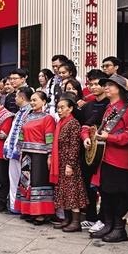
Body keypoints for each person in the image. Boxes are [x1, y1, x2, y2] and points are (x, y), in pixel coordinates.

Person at [85, 75, 128, 242]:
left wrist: (110, 137)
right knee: (106, 193)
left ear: (120, 90)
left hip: (122, 160)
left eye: (110, 85)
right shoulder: (109, 108)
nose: (106, 88)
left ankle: (118, 228)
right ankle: (108, 225)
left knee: (119, 195)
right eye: (106, 85)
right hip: (106, 158)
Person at [16, 91, 56, 224]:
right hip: (27, 154)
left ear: (44, 102)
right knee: (26, 181)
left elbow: (50, 137)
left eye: (35, 100)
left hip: (40, 155)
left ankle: (41, 213)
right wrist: (19, 149)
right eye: (31, 100)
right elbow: (21, 134)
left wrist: (50, 154)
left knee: (39, 182)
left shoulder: (48, 118)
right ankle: (28, 210)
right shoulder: (28, 116)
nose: (32, 102)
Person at [50, 97, 88, 232]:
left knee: (72, 192)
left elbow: (74, 146)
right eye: (58, 108)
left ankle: (76, 222)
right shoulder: (61, 122)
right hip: (60, 162)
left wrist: (70, 165)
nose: (59, 110)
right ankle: (67, 219)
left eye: (62, 107)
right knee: (63, 191)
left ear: (70, 108)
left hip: (69, 163)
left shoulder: (73, 123)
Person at [79, 70, 109, 231]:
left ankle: (103, 218)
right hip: (88, 150)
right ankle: (90, 217)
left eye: (97, 83)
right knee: (87, 183)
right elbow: (83, 125)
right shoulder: (88, 105)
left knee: (103, 186)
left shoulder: (109, 105)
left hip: (105, 152)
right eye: (91, 84)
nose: (94, 87)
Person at [3, 87, 33, 214]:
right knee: (13, 179)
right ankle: (14, 206)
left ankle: (24, 207)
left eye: (16, 96)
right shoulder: (19, 113)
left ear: (21, 97)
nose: (14, 99)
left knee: (25, 181)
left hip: (23, 152)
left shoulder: (30, 113)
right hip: (13, 151)